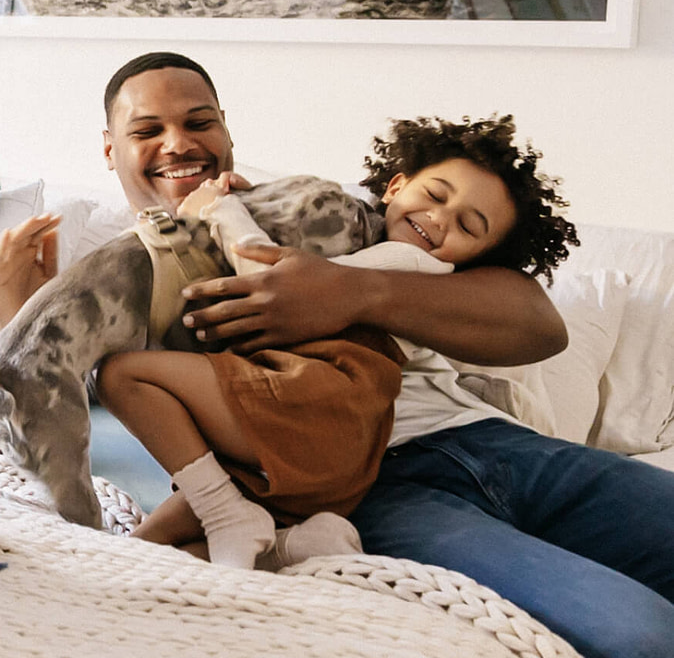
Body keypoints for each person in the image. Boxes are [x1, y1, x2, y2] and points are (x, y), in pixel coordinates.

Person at [0, 50, 674, 658]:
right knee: (639, 638)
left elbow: (537, 322)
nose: (177, 143)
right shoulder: (95, 282)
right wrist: (10, 314)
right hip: (373, 483)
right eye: (146, 130)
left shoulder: (321, 218)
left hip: (499, 443)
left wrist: (344, 288)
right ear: (109, 149)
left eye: (198, 121)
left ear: (226, 129)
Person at [95, 112, 573, 570]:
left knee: (122, 374)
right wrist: (263, 200)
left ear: (480, 259)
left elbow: (273, 284)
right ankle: (291, 546)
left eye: (469, 226)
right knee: (160, 543)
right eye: (435, 194)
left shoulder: (412, 265)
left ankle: (228, 520)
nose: (441, 217)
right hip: (332, 455)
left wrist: (220, 208)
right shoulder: (351, 230)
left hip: (316, 409)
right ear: (395, 186)